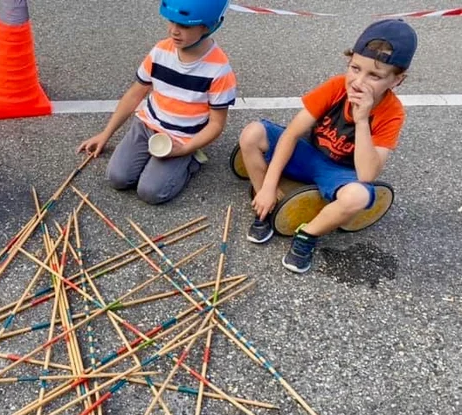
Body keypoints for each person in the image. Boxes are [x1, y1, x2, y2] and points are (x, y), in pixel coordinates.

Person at [238, 19, 417, 274]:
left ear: (397, 80)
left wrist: (363, 119)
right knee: (252, 133)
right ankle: (265, 202)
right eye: (355, 68)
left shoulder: (392, 113)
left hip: (339, 172)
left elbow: (367, 175)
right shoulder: (336, 87)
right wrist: (267, 187)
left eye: (374, 76)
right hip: (308, 154)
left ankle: (308, 234)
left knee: (359, 196)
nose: (358, 82)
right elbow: (291, 134)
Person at [78, 0, 236, 205]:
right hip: (147, 126)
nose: (174, 31)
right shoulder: (161, 51)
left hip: (182, 138)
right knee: (117, 178)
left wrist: (184, 150)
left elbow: (216, 124)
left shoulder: (219, 70)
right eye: (171, 22)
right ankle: (164, 162)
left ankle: (191, 162)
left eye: (185, 26)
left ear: (208, 26)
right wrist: (106, 133)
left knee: (151, 192)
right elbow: (135, 93)